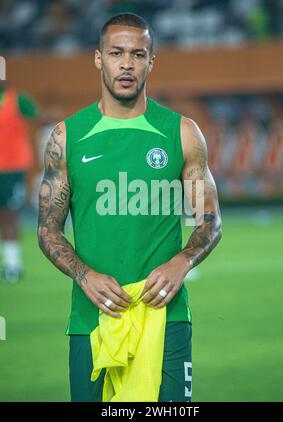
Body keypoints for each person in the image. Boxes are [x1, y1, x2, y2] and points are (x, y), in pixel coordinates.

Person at [37, 13, 222, 402]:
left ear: (151, 62)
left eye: (138, 54)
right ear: (98, 58)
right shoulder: (67, 136)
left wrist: (182, 261)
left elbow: (210, 220)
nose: (126, 63)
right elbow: (48, 229)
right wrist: (85, 275)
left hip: (165, 318)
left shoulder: (182, 132)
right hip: (91, 320)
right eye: (116, 52)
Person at [0, 80, 39, 282]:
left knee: (10, 216)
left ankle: (13, 265)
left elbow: (37, 117)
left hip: (12, 168)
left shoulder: (17, 99)